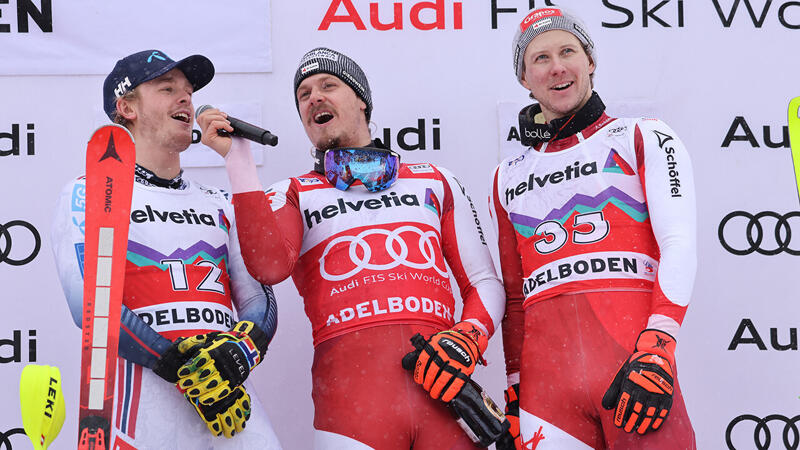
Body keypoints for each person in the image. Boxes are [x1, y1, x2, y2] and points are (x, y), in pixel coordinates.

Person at [195, 47, 506, 449]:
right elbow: (268, 267)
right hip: (350, 408)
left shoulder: (434, 180)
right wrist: (239, 160)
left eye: (328, 85)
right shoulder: (294, 193)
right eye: (303, 94)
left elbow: (484, 281)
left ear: (362, 99)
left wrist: (468, 337)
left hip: (441, 392)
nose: (314, 98)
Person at [51, 49, 281, 449]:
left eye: (189, 92)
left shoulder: (218, 201)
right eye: (167, 88)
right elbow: (88, 303)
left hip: (226, 398)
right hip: (144, 409)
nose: (186, 100)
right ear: (126, 107)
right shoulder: (90, 192)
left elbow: (258, 293)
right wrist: (174, 362)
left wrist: (238, 353)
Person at [490, 7, 698, 450]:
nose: (558, 66)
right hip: (547, 397)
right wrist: (514, 392)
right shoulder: (506, 175)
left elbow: (678, 244)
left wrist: (658, 346)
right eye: (540, 58)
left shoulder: (642, 136)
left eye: (568, 51)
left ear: (590, 63)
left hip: (636, 371)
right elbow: (514, 295)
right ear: (524, 79)